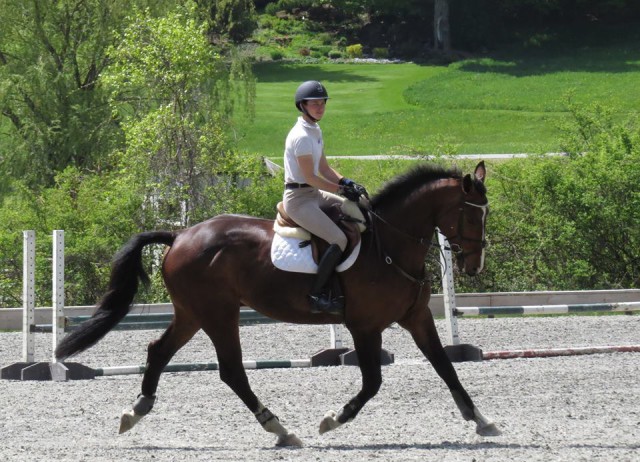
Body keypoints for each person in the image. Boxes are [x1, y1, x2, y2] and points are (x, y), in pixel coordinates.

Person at [282, 80, 367, 314]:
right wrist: (338, 190)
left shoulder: (315, 130)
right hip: (298, 199)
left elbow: (325, 168)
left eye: (323, 103)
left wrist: (346, 182)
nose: (320, 108)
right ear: (303, 106)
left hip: (314, 193)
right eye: (315, 104)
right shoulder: (300, 136)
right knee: (338, 239)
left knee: (361, 211)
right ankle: (316, 294)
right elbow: (310, 177)